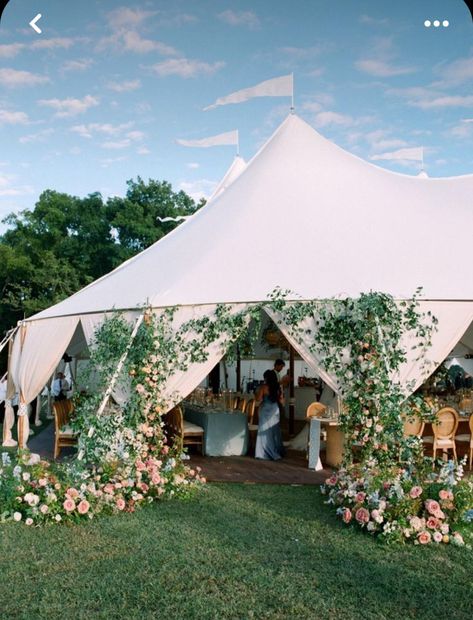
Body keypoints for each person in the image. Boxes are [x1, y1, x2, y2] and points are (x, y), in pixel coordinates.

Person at [255, 369, 285, 460]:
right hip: (275, 409)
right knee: (274, 430)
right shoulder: (278, 387)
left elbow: (258, 399)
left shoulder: (263, 387)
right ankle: (277, 450)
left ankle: (264, 452)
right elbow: (281, 400)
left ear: (266, 378)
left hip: (265, 410)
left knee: (264, 430)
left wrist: (256, 394)